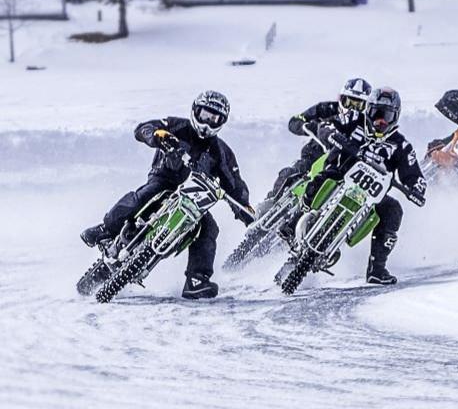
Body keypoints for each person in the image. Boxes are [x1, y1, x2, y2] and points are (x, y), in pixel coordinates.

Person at [80, 91, 253, 300]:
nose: (207, 123)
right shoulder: (176, 126)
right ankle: (106, 229)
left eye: (214, 119)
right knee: (144, 195)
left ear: (221, 122)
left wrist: (245, 209)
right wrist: (157, 135)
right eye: (205, 115)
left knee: (209, 228)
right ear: (195, 111)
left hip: (193, 200)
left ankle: (197, 279)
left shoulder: (221, 151)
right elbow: (143, 129)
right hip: (165, 182)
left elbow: (234, 183)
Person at [302, 87, 427, 285]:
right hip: (339, 175)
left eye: (386, 116)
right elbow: (326, 125)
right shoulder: (352, 120)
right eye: (376, 113)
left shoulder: (401, 146)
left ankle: (377, 269)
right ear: (367, 110)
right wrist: (333, 135)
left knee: (393, 209)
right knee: (316, 185)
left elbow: (414, 174)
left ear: (396, 116)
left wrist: (417, 188)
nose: (380, 121)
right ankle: (293, 223)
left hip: (370, 194)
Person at [265, 78, 372, 201]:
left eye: (358, 105)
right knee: (289, 173)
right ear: (341, 98)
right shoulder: (327, 108)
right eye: (349, 102)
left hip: (341, 167)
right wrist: (308, 126)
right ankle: (270, 202)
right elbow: (294, 121)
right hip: (314, 155)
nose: (352, 108)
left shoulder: (366, 125)